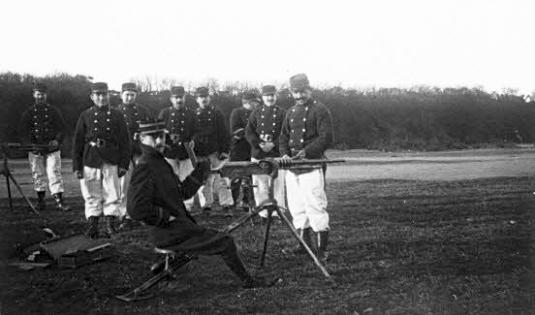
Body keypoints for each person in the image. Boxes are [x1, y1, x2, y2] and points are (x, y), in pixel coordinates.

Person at [126, 120, 272, 288]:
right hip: (169, 233)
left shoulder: (158, 162)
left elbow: (182, 193)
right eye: (153, 137)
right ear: (142, 139)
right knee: (225, 242)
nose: (159, 141)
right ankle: (249, 282)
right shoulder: (146, 165)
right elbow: (135, 209)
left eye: (161, 136)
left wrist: (201, 170)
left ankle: (164, 266)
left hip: (175, 229)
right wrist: (166, 217)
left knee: (217, 237)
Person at [279, 74, 334, 260]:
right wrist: (285, 154)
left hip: (311, 165)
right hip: (292, 167)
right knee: (296, 207)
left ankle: (322, 250)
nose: (299, 95)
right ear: (291, 92)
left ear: (309, 89)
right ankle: (303, 246)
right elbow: (283, 137)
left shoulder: (320, 110)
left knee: (315, 205)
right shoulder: (290, 112)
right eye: (296, 92)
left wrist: (307, 151)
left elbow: (326, 137)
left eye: (303, 91)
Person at [72, 82, 131, 238]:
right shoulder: (85, 115)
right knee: (91, 193)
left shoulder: (117, 115)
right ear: (92, 97)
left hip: (111, 158)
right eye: (98, 94)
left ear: (109, 96)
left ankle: (110, 225)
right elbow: (77, 141)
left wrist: (124, 164)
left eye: (104, 94)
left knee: (112, 192)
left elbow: (125, 141)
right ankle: (93, 225)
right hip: (90, 158)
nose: (101, 97)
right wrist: (76, 166)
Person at [18, 82, 70, 211]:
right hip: (35, 148)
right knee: (37, 173)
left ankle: (59, 201)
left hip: (52, 148)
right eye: (38, 94)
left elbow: (62, 129)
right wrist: (30, 145)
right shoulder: (28, 113)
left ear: (46, 95)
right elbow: (22, 131)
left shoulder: (53, 111)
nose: (40, 96)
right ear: (34, 95)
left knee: (54, 173)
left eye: (43, 94)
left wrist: (57, 141)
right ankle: (41, 201)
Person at [245, 85, 286, 221]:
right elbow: (249, 132)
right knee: (260, 183)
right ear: (262, 97)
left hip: (276, 152)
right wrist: (259, 144)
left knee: (277, 183)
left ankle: (277, 213)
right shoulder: (256, 112)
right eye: (267, 95)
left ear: (276, 96)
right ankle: (263, 212)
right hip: (259, 153)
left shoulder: (282, 113)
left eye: (272, 95)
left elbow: (286, 133)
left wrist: (273, 143)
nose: (270, 98)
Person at [192, 87, 233, 216]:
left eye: (205, 96)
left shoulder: (217, 113)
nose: (203, 99)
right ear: (196, 99)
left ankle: (226, 205)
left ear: (209, 98)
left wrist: (225, 151)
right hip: (200, 152)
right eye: (200, 97)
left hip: (215, 151)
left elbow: (224, 133)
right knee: (204, 180)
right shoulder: (193, 114)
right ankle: (206, 206)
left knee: (221, 179)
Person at [116, 82, 152, 226]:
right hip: (123, 152)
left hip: (140, 151)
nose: (130, 98)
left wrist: (142, 135)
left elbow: (151, 130)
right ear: (121, 95)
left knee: (141, 182)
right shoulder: (115, 112)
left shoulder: (143, 111)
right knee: (124, 183)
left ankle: (141, 212)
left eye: (132, 95)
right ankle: (124, 213)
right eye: (127, 95)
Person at [158, 86, 198, 211]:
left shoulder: (191, 113)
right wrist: (165, 137)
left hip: (186, 152)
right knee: (169, 180)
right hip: (169, 152)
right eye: (176, 98)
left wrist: (193, 140)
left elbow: (197, 131)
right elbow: (158, 130)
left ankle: (187, 208)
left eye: (181, 97)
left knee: (186, 180)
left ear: (185, 97)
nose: (179, 100)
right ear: (171, 99)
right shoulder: (165, 113)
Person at [229, 91, 258, 212]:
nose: (257, 104)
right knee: (236, 177)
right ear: (250, 102)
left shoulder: (257, 113)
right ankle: (232, 202)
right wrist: (250, 131)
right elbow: (235, 131)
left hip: (252, 149)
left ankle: (247, 201)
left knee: (250, 177)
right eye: (255, 101)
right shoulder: (237, 112)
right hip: (239, 149)